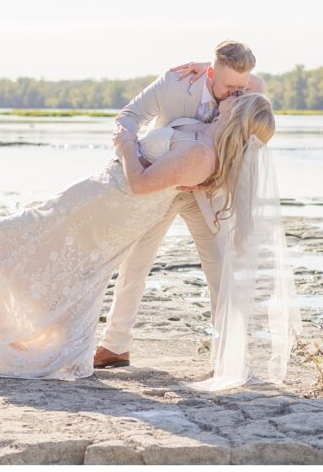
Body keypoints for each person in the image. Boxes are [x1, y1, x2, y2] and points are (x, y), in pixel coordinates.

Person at [0, 88, 297, 388]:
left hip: (116, 203)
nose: (230, 95)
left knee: (48, 234)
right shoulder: (203, 132)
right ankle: (33, 328)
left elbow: (140, 184)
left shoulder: (202, 153)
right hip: (104, 192)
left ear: (236, 115)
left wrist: (125, 145)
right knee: (52, 238)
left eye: (236, 97)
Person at [94, 41, 266, 370]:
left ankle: (228, 355)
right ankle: (115, 347)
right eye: (229, 86)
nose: (235, 95)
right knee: (134, 265)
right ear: (211, 73)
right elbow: (128, 117)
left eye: (241, 88)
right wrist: (129, 147)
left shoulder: (249, 89)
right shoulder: (174, 84)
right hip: (161, 184)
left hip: (208, 191)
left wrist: (208, 181)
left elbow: (247, 140)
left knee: (221, 270)